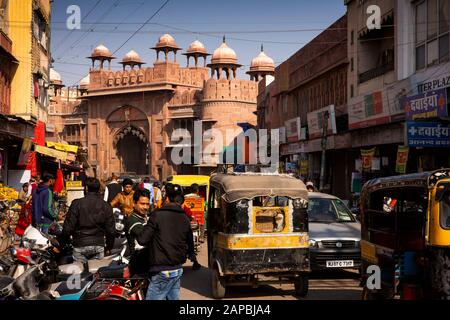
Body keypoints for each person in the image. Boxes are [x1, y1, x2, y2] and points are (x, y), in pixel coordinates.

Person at [135, 183, 194, 300]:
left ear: (166, 198)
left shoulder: (157, 215)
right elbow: (190, 243)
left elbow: (142, 239)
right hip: (177, 269)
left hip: (161, 270)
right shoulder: (185, 218)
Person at [60, 177, 116, 263]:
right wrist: (109, 246)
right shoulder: (106, 206)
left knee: (79, 274)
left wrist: (63, 243)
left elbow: (68, 227)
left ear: (86, 188)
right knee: (97, 274)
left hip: (80, 244)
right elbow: (111, 230)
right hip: (98, 244)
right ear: (99, 189)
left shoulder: (76, 204)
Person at [125, 188, 151, 276]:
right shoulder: (132, 220)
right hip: (139, 265)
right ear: (134, 203)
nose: (145, 207)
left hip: (149, 263)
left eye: (147, 204)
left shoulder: (146, 218)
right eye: (142, 204)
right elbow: (146, 237)